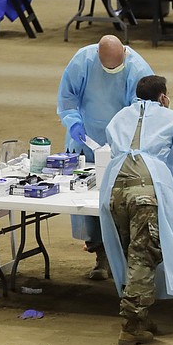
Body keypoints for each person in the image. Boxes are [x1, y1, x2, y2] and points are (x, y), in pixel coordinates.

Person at [98, 75, 173, 345]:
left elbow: (113, 151)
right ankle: (131, 326)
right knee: (142, 258)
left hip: (115, 191)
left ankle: (142, 318)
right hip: (145, 193)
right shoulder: (170, 119)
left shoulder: (120, 117)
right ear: (163, 97)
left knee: (128, 253)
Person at [57, 35, 153, 280]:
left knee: (119, 201)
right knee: (87, 200)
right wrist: (73, 122)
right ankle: (99, 254)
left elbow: (141, 111)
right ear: (98, 57)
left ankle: (121, 255)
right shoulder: (83, 61)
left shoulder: (138, 69)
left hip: (120, 142)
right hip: (85, 137)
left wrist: (124, 140)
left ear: (124, 53)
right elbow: (67, 98)